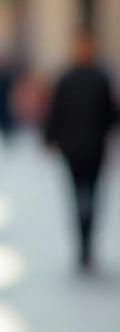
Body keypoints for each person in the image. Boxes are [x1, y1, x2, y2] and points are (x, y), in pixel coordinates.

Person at [43, 27, 118, 273]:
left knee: (91, 197)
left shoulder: (100, 78)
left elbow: (110, 115)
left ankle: (87, 245)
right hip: (74, 149)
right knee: (78, 196)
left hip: (93, 148)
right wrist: (50, 138)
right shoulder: (68, 79)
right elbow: (56, 112)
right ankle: (83, 246)